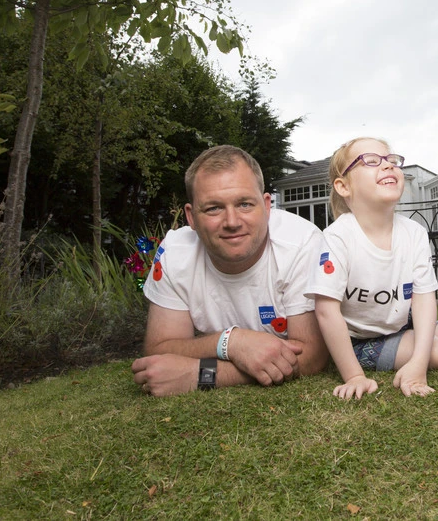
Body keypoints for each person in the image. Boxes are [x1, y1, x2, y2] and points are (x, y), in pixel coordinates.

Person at [131, 145, 329, 396]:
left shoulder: (301, 243)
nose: (232, 222)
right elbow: (160, 349)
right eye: (213, 208)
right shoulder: (175, 252)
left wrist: (202, 374)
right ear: (191, 217)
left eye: (245, 204)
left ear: (267, 206)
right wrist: (230, 342)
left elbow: (312, 355)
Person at [307, 137, 438, 400]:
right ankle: (410, 345)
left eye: (391, 160)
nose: (387, 165)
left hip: (401, 320)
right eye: (371, 161)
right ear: (343, 186)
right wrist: (354, 376)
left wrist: (418, 364)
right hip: (361, 338)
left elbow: (424, 298)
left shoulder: (415, 232)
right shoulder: (337, 236)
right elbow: (326, 310)